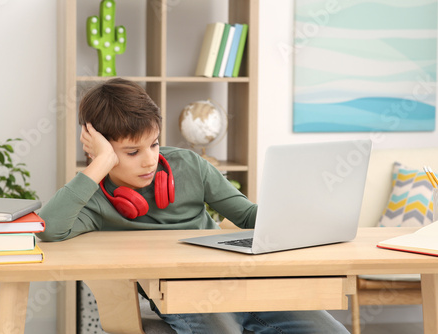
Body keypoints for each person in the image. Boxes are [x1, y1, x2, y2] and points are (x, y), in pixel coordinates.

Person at [38, 78, 349, 334]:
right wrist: (99, 164)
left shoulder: (188, 165)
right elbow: (49, 230)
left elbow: (248, 216)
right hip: (179, 294)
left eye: (154, 143)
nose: (149, 160)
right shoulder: (93, 197)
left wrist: (305, 209)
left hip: (241, 278)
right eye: (131, 152)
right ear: (99, 148)